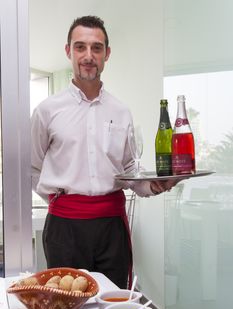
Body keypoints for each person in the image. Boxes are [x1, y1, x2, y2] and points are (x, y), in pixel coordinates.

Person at [31, 15, 176, 289]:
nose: (88, 56)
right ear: (68, 51)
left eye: (96, 48)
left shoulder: (121, 111)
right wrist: (57, 200)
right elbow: (31, 167)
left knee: (114, 306)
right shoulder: (47, 111)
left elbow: (130, 173)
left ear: (106, 54)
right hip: (64, 228)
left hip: (112, 227)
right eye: (80, 47)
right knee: (68, 308)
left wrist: (154, 186)